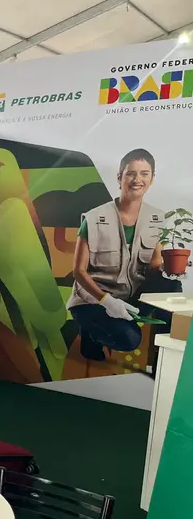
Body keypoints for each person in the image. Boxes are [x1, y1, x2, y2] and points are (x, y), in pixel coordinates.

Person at [68, 149, 179, 361]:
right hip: (93, 301)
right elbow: (78, 271)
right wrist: (107, 301)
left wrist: (170, 269)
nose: (138, 180)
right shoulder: (94, 218)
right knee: (129, 339)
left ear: (152, 178)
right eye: (131, 173)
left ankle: (163, 356)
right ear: (120, 177)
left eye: (144, 174)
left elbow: (155, 265)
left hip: (130, 297)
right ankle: (90, 334)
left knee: (172, 286)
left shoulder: (157, 218)